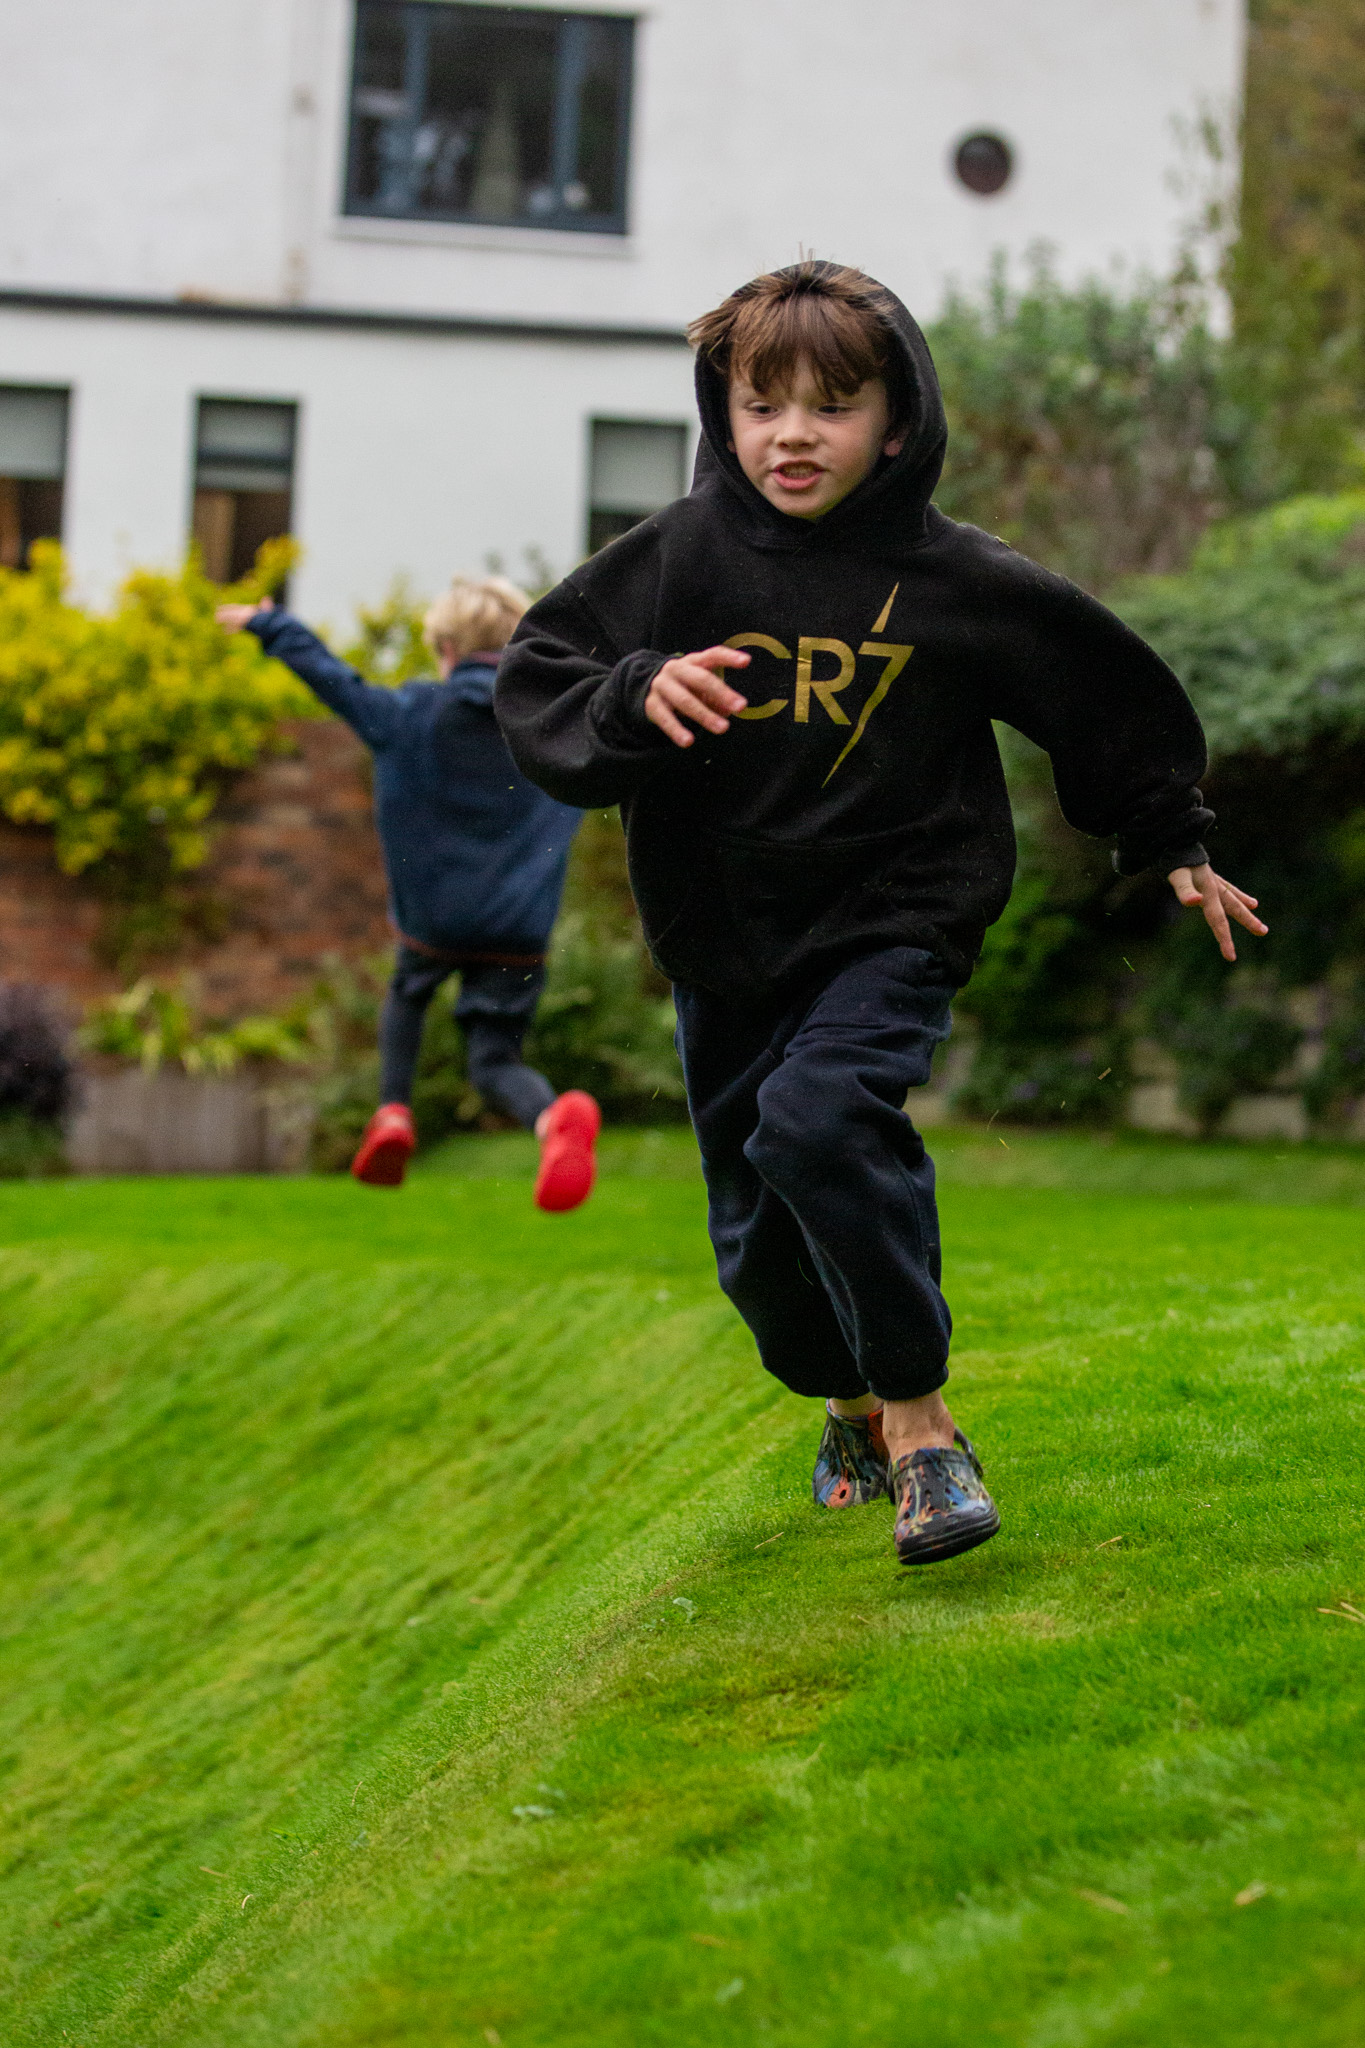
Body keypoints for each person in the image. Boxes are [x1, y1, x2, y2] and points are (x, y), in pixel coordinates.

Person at [495, 261, 1266, 1566]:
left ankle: (924, 1432)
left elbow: (1091, 682)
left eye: (831, 407)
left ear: (894, 423)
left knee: (819, 1120)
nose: (792, 435)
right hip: (727, 939)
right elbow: (540, 677)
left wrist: (1169, 829)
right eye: (761, 405)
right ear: (722, 413)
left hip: (896, 915)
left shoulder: (951, 576)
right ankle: (850, 1408)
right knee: (757, 1257)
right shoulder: (677, 562)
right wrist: (635, 695)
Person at [215, 576, 600, 1211]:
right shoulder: (546, 727)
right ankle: (551, 1117)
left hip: (434, 923)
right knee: (494, 1061)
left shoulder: (410, 715)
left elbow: (334, 680)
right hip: (518, 932)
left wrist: (273, 626)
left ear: (445, 648)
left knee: (409, 990)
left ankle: (393, 1111)